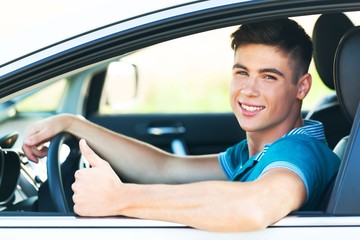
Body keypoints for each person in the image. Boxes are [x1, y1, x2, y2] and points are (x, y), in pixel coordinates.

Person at [22, 18, 340, 232]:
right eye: (242, 72)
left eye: (269, 76)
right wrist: (74, 124)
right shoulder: (255, 151)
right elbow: (165, 168)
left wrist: (119, 198)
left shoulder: (300, 151)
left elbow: (255, 206)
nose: (248, 90)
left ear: (302, 87)